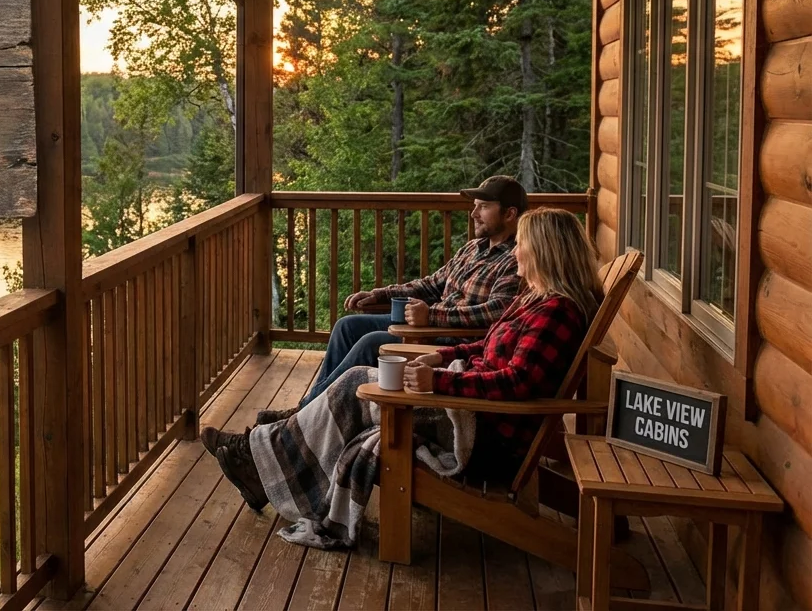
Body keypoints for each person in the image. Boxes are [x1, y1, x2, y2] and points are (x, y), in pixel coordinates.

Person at [203, 208, 601, 539]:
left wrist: (441, 381)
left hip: (485, 437)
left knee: (356, 384)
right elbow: (484, 346)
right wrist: (439, 358)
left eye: (524, 247)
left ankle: (256, 454)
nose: (517, 255)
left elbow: (518, 383)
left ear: (546, 252)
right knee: (357, 381)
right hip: (472, 409)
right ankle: (258, 453)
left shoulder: (556, 312)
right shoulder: (536, 299)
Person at [257, 175, 529, 425]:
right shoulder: (474, 247)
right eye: (475, 206)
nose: (473, 214)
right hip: (427, 327)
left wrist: (433, 317)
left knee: (371, 343)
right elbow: (431, 284)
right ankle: (308, 409)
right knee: (347, 326)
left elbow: (498, 311)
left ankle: (301, 418)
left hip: (452, 340)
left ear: (509, 214)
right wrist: (381, 294)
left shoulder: (517, 258)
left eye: (482, 207)